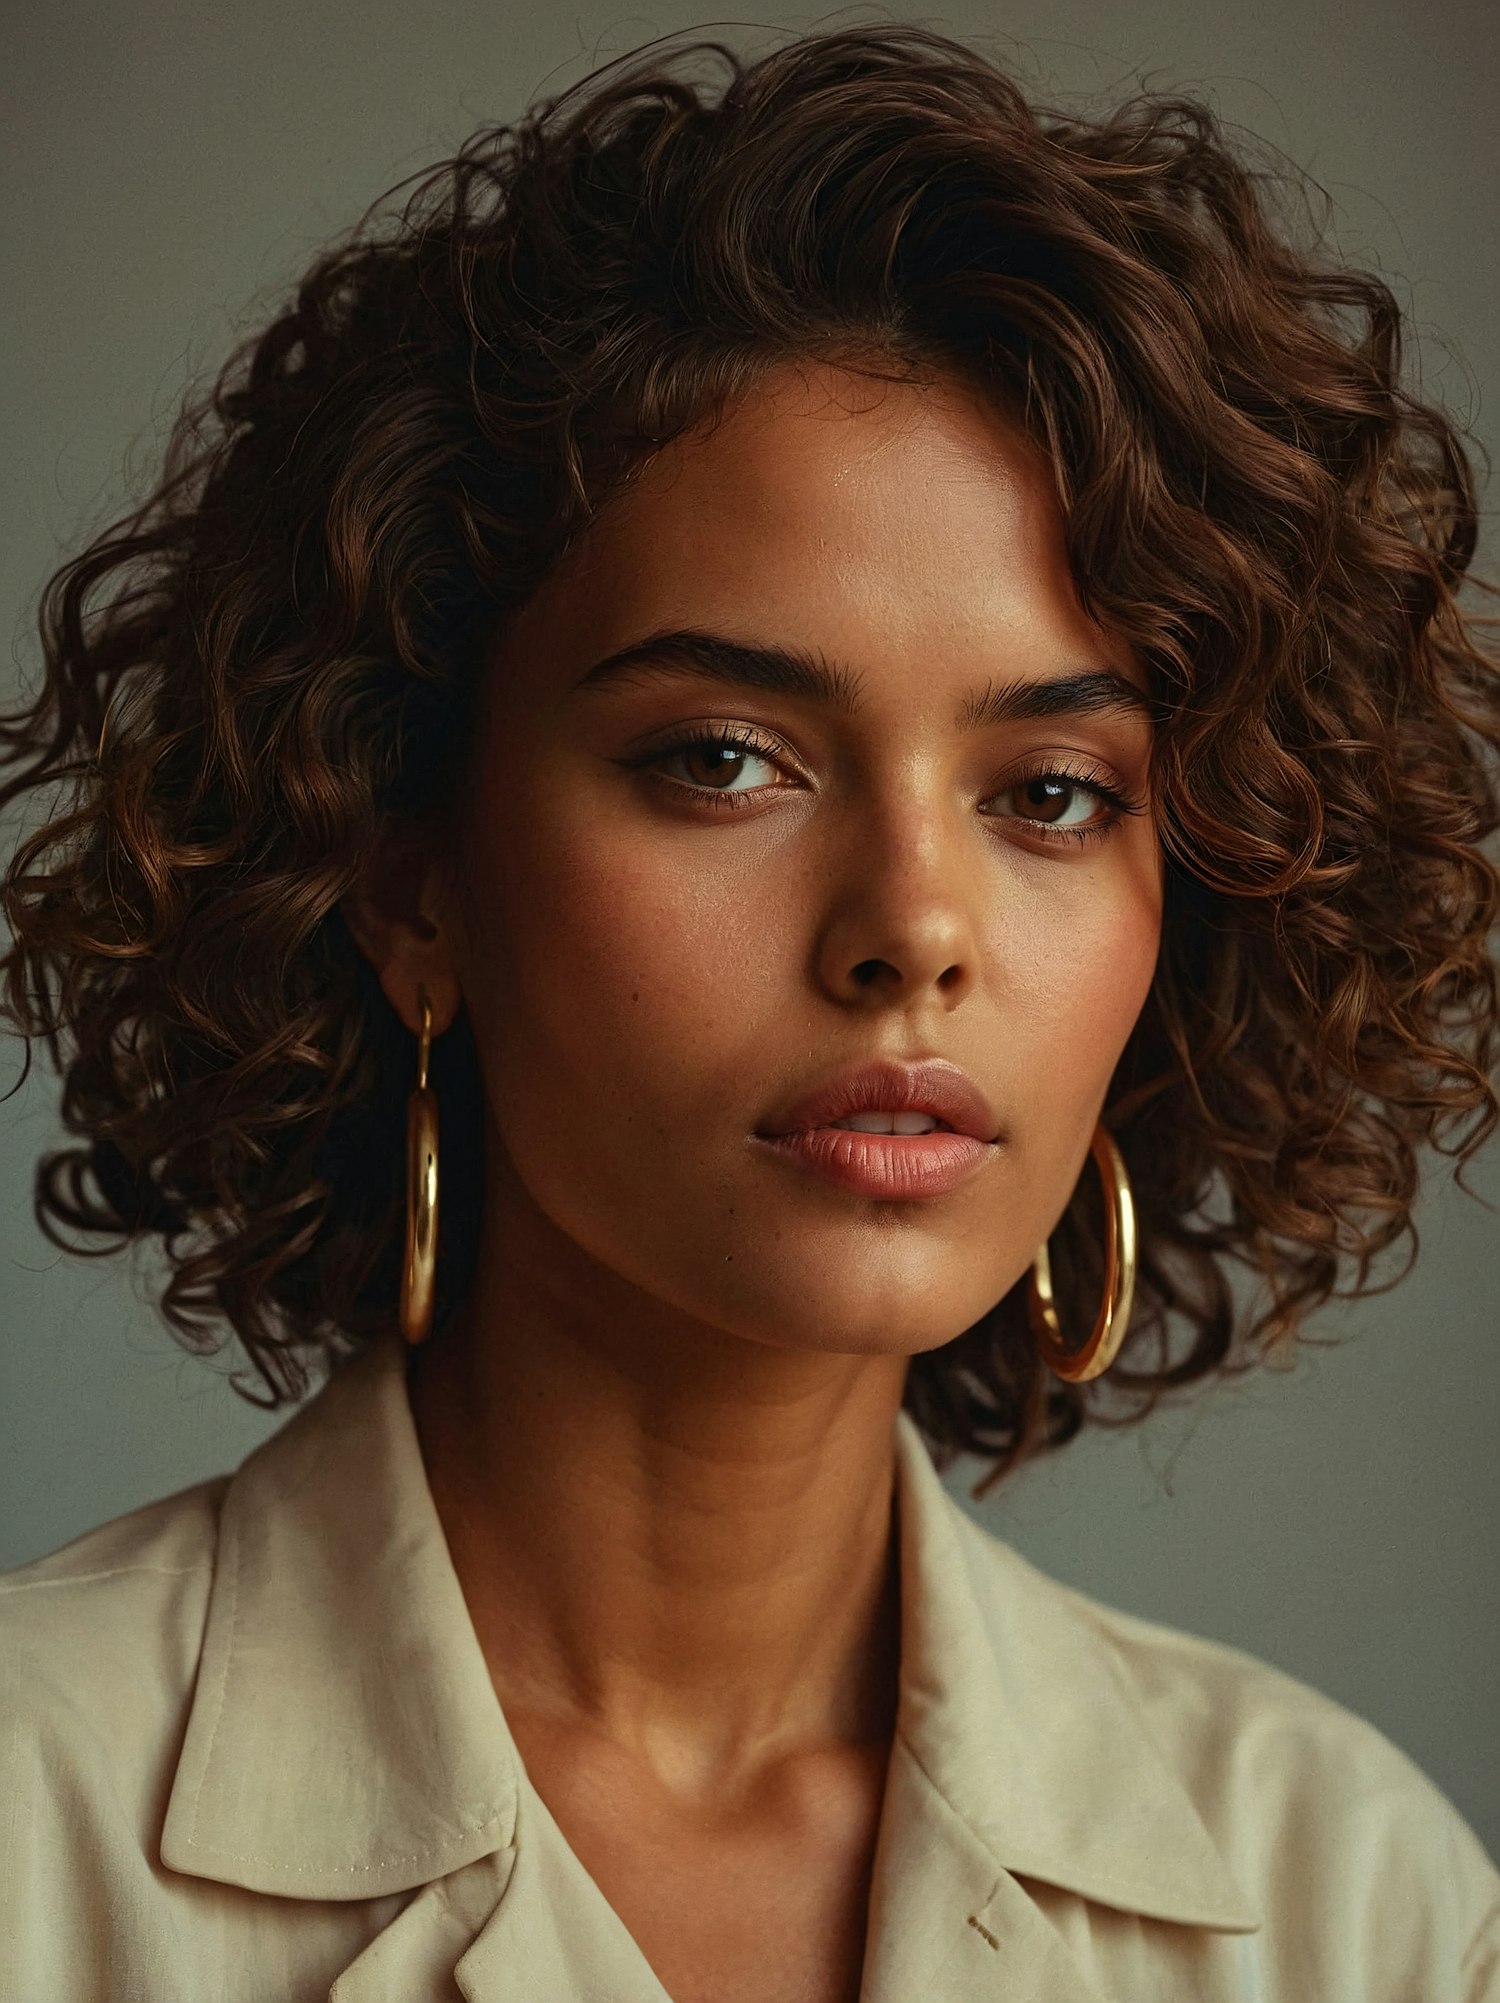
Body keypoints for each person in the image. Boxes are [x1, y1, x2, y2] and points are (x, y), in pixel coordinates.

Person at [1, 21, 1496, 2002]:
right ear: (406, 879)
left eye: (1050, 794)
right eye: (725, 759)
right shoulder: (35, 1822)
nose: (912, 931)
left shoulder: (1344, 1901)